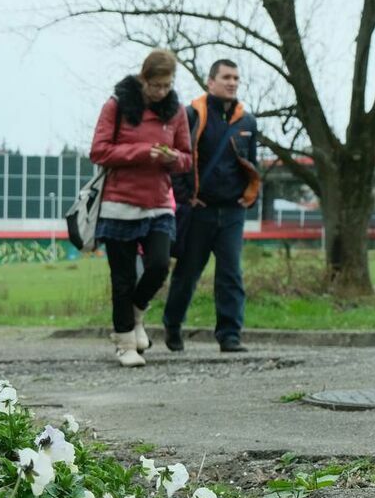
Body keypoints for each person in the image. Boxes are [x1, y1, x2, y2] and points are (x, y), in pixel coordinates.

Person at [89, 49, 192, 368]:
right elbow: (99, 151)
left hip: (159, 204)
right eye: (156, 85)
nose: (161, 92)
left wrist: (174, 159)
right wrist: (141, 152)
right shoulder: (116, 105)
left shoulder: (176, 112)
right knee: (121, 279)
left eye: (167, 85)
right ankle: (124, 343)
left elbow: (188, 157)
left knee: (159, 265)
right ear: (143, 78)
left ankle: (135, 315)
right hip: (119, 204)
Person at [163, 59, 261, 353]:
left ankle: (230, 335)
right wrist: (185, 198)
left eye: (236, 78)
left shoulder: (248, 122)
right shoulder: (191, 115)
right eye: (226, 77)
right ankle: (173, 325)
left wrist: (250, 193)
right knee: (187, 273)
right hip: (199, 210)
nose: (232, 82)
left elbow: (251, 163)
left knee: (231, 273)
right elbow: (177, 162)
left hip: (232, 211)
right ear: (210, 82)